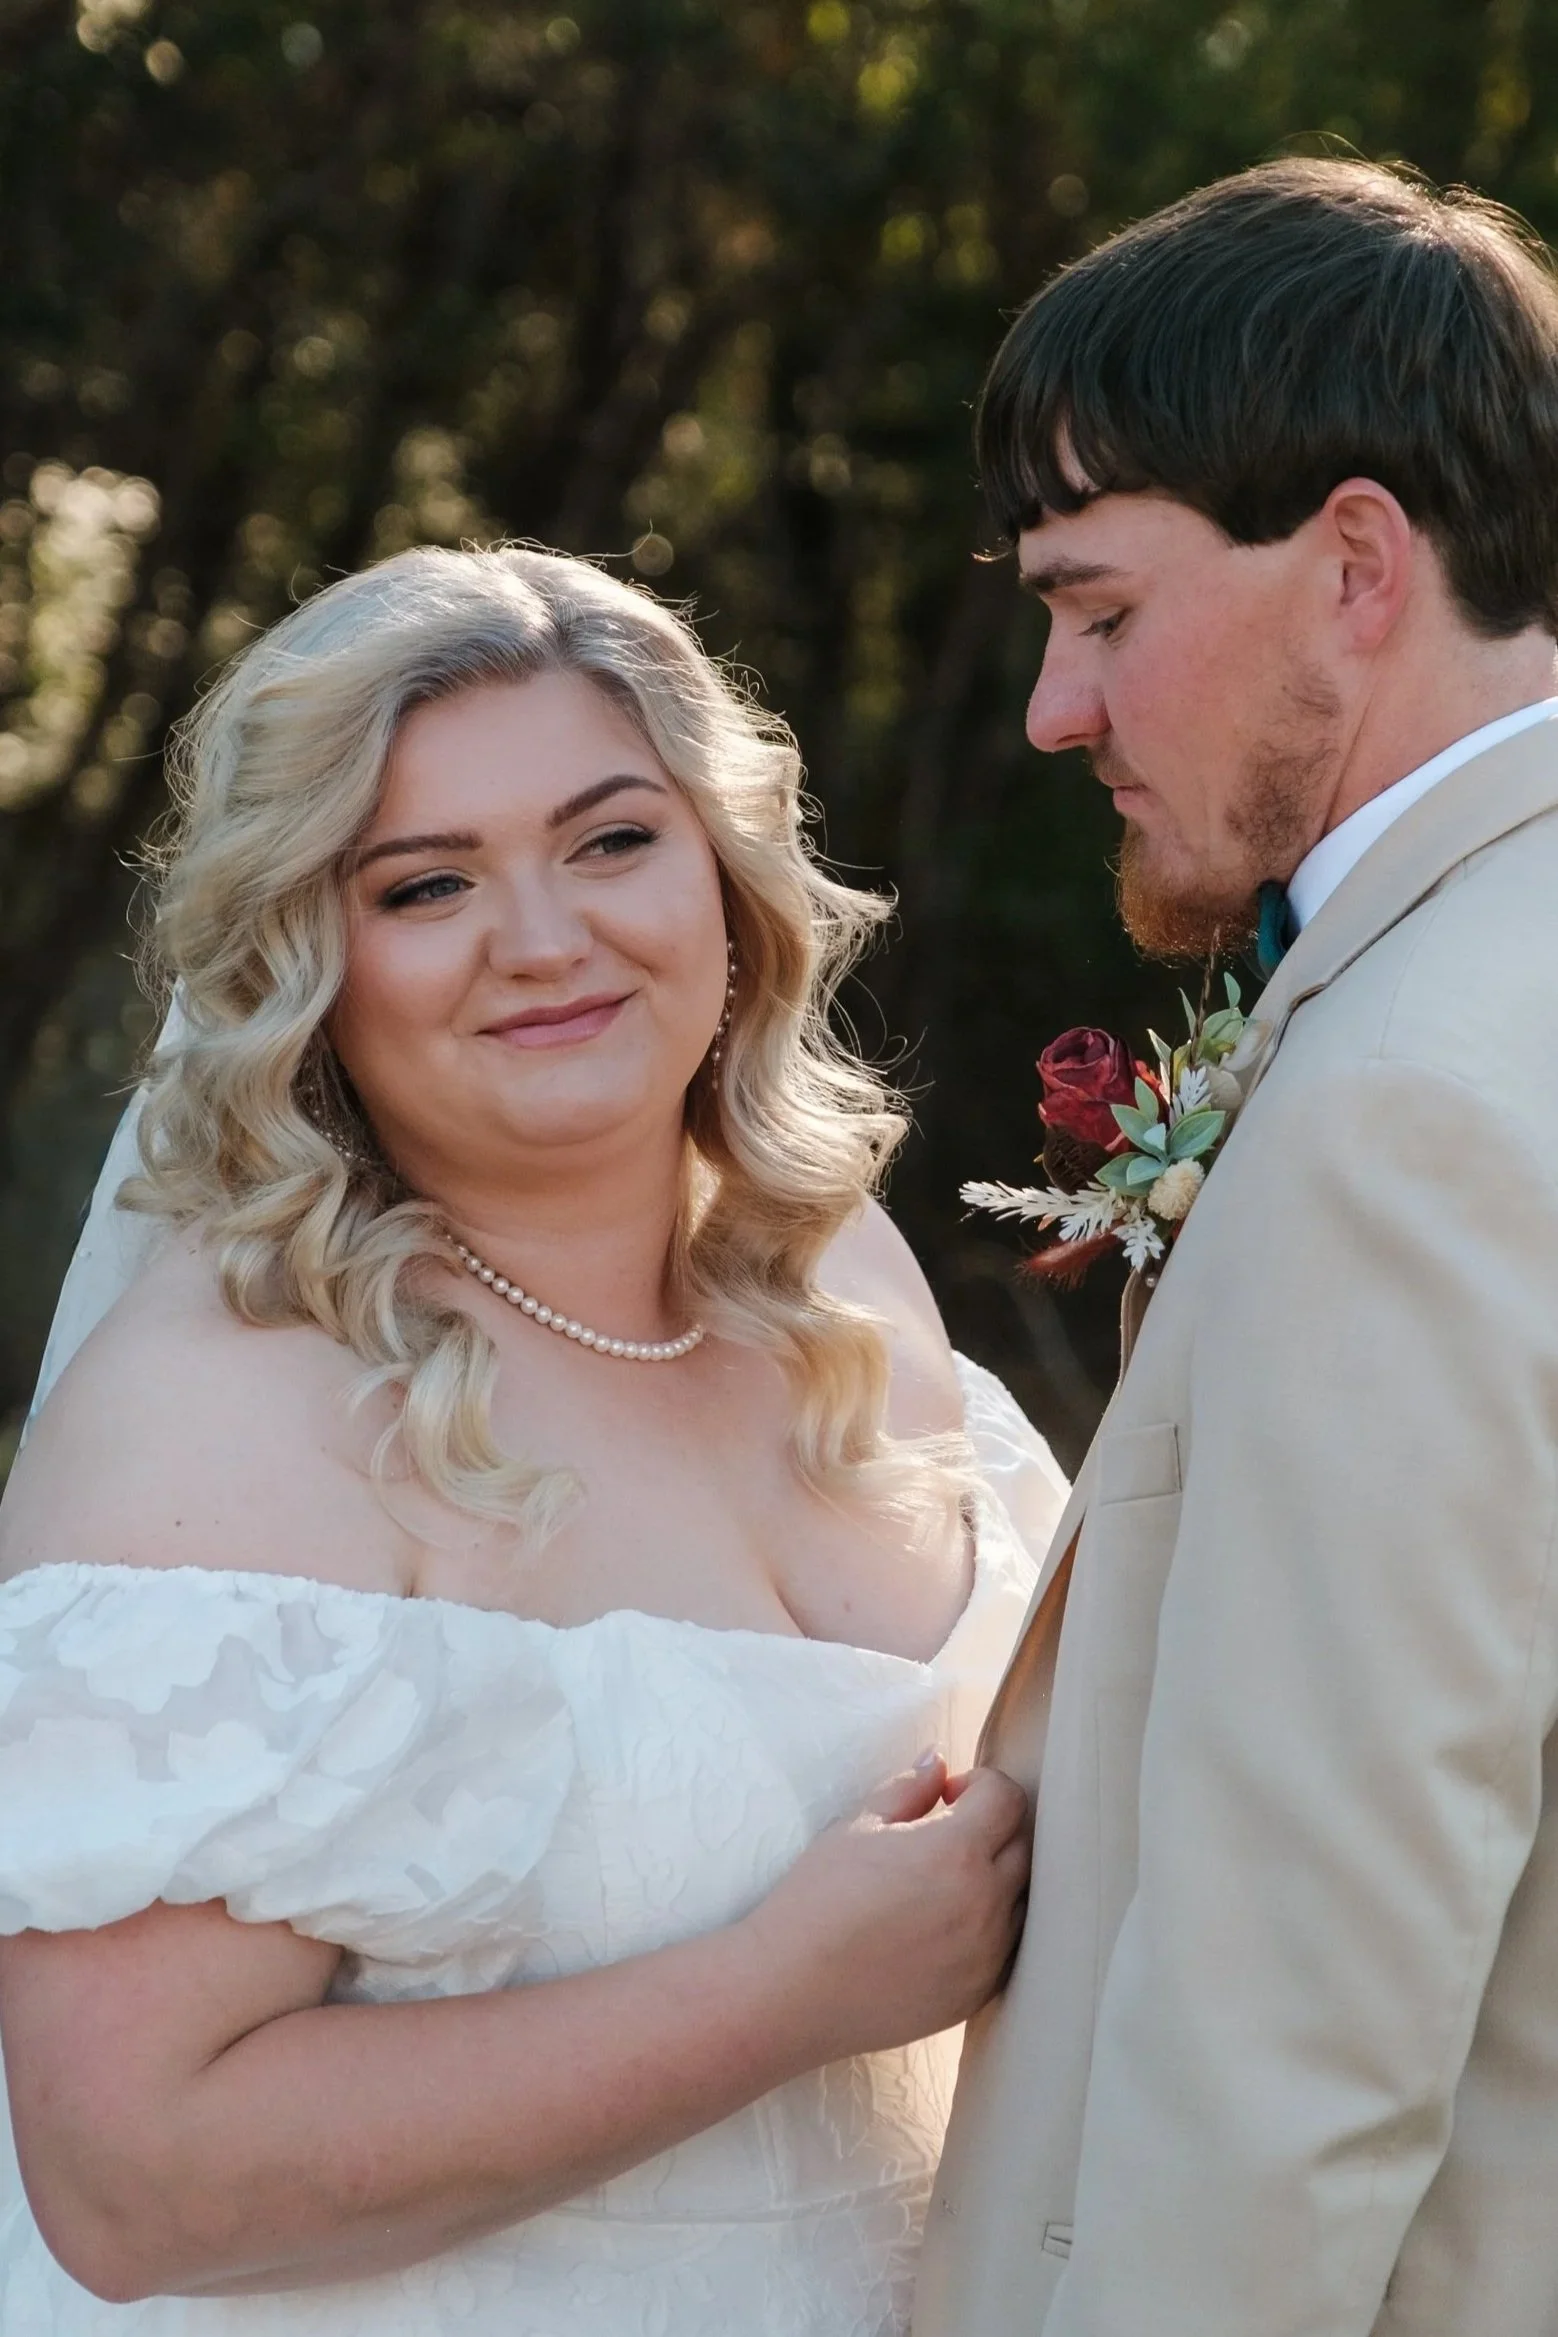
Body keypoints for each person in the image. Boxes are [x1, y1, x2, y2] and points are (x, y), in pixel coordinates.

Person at [0, 543, 1066, 2334]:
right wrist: (777, 1991)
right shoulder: (228, 1410)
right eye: (426, 887)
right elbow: (134, 2181)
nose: (548, 940)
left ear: (724, 875)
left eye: (612, 840)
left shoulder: (841, 1272)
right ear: (303, 957)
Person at [912, 158, 1558, 2337]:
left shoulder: (1405, 1101)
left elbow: (1296, 1996)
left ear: (1355, 567)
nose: (1051, 708)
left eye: (1098, 610)